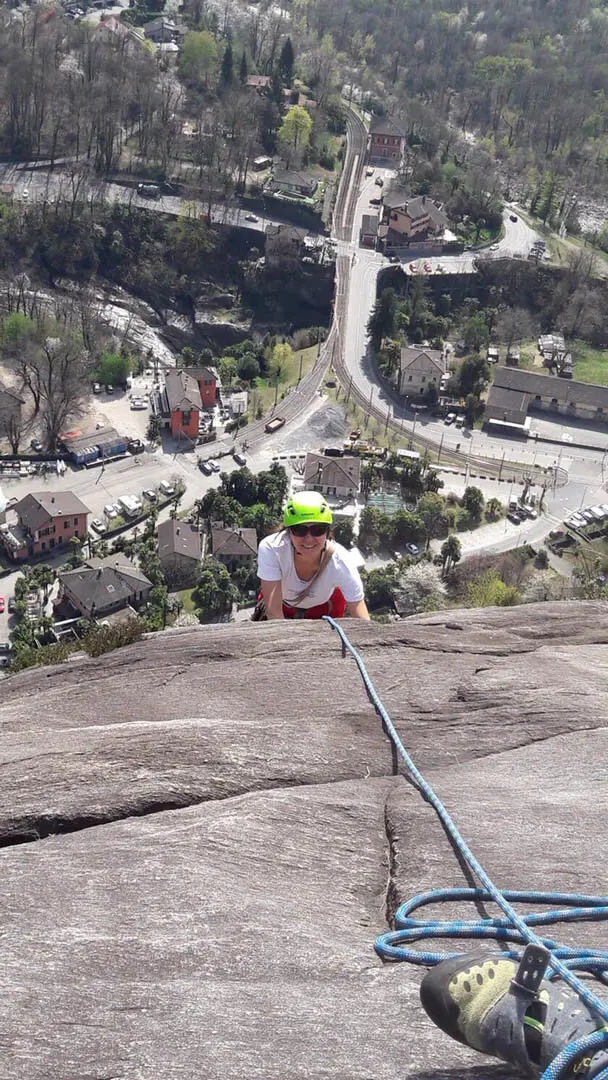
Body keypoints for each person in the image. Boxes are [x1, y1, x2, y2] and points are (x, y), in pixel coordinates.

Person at [256, 491, 370, 620]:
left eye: (318, 530)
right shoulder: (273, 549)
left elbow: (361, 617)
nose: (309, 539)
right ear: (289, 531)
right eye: (299, 530)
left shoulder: (340, 561)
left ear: (327, 532)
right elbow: (274, 614)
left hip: (325, 608)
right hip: (282, 604)